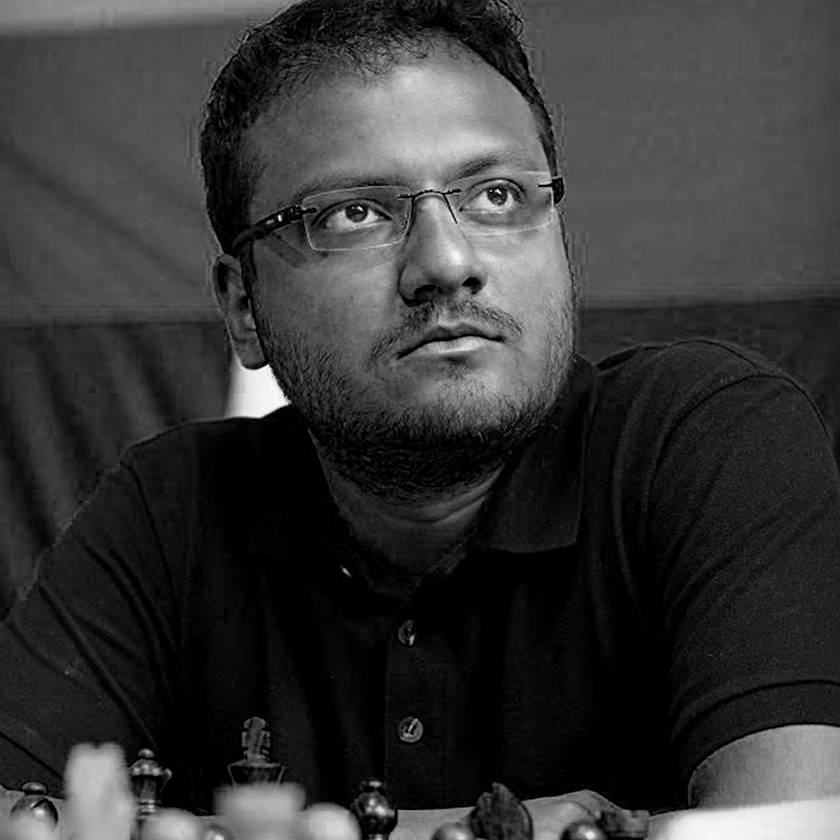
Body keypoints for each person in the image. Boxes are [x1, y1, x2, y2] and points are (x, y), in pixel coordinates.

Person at [1, 0, 840, 836]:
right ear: (243, 309)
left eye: (499, 194)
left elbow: (788, 827)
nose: (447, 262)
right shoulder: (172, 507)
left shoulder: (705, 439)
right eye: (353, 213)